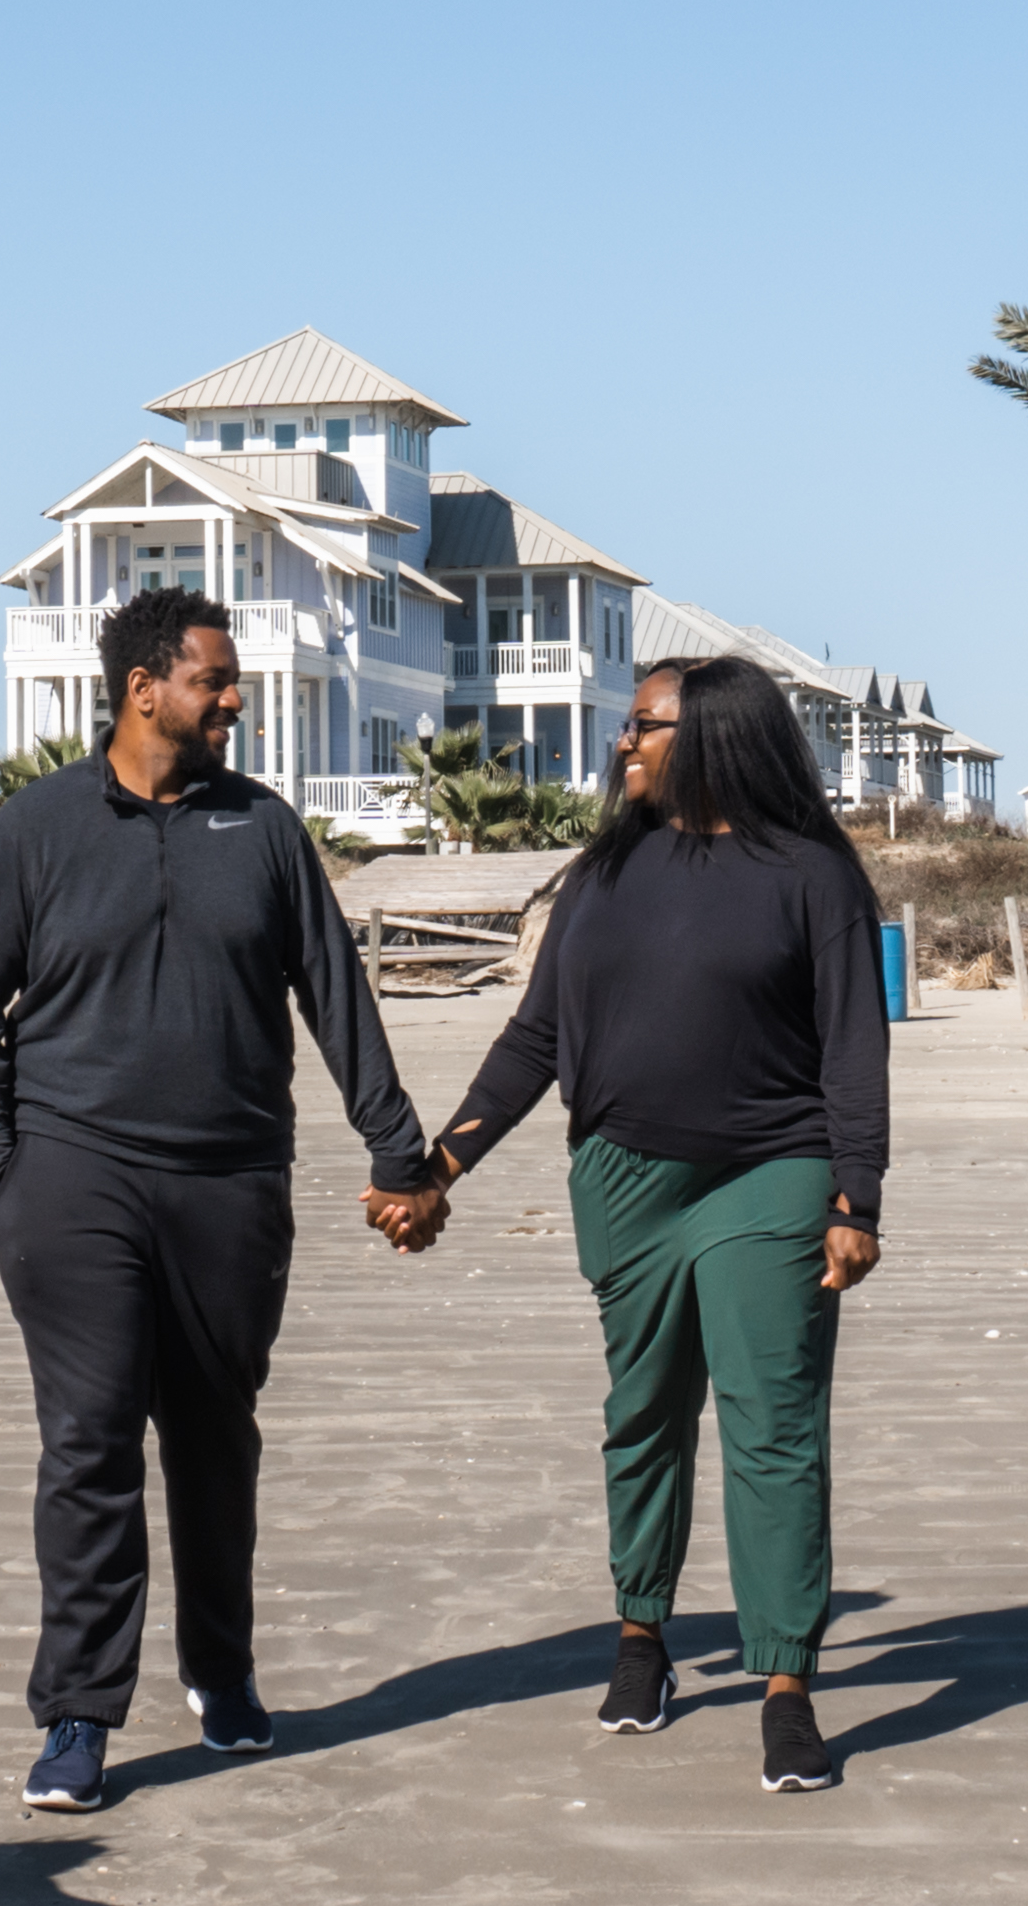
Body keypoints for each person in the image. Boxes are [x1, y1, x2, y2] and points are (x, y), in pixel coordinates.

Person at [0, 585, 432, 1815]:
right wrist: (4, 1175)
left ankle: (221, 1671)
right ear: (144, 688)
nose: (235, 698)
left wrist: (396, 1148)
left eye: (232, 678)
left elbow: (332, 991)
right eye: (215, 679)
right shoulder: (37, 829)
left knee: (214, 1442)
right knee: (91, 1442)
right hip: (72, 1177)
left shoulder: (259, 827)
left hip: (230, 1183)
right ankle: (77, 1714)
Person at [379, 654, 886, 1796]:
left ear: (711, 735)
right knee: (643, 1413)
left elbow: (855, 1047)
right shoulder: (601, 875)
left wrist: (859, 1196)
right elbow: (535, 1038)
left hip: (772, 1174)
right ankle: (641, 1637)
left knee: (772, 1428)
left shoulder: (811, 876)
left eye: (645, 725)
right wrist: (440, 1164)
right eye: (627, 727)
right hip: (623, 1180)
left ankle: (785, 1686)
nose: (624, 745)